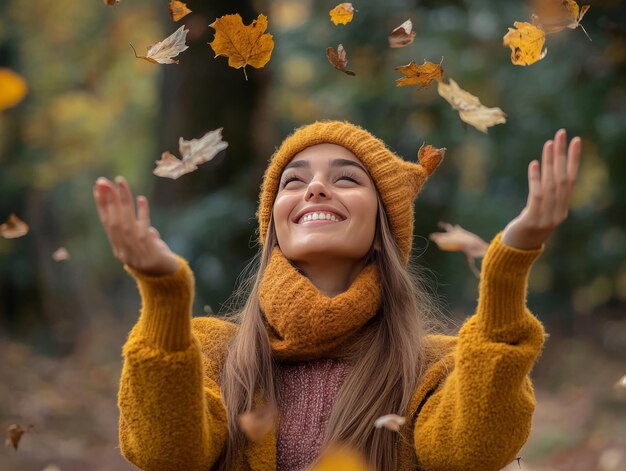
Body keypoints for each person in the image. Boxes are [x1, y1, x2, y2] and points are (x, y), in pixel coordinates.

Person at [93, 121, 581, 471]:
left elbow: (472, 451)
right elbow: (164, 454)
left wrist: (508, 265)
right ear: (274, 226)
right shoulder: (209, 354)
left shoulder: (437, 368)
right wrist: (164, 294)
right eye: (294, 180)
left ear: (381, 227)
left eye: (346, 178)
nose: (316, 189)